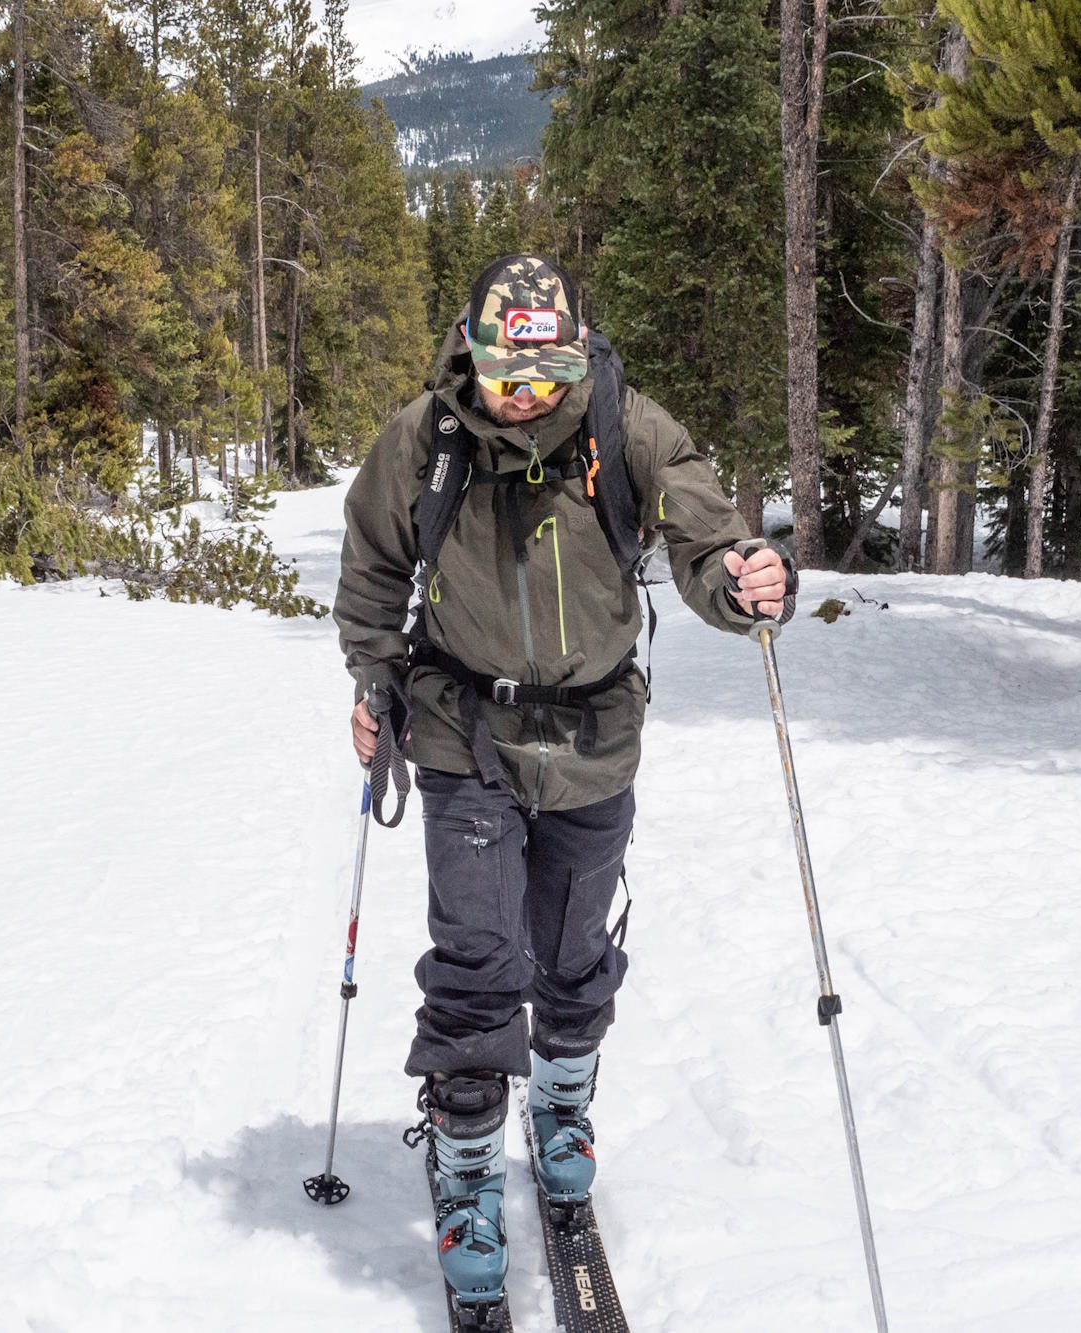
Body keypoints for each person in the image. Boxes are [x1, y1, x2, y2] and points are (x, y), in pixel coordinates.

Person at [332, 254, 793, 1308]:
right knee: (477, 961)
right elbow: (370, 571)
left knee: (573, 957)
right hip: (463, 734)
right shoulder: (423, 438)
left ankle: (560, 1110)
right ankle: (461, 1183)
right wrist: (376, 681)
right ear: (472, 351)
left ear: (575, 356)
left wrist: (745, 580)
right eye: (505, 373)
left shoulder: (625, 425)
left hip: (592, 737)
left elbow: (707, 542)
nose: (525, 393)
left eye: (544, 373)